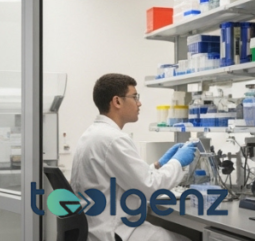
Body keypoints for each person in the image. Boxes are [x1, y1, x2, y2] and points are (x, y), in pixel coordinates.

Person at [71, 74, 196, 241]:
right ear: (117, 101)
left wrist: (158, 165)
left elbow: (132, 180)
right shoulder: (114, 139)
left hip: (97, 228)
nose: (139, 103)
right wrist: (178, 162)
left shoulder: (93, 134)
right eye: (135, 97)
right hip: (113, 231)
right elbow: (151, 189)